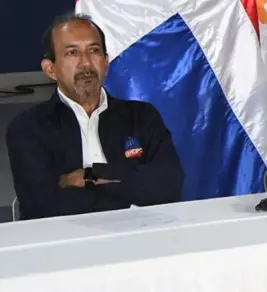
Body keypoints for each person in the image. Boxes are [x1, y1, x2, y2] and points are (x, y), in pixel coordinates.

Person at [6, 13, 184, 220]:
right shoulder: (28, 127)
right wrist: (130, 196)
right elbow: (41, 206)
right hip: (66, 237)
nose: (86, 63)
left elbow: (169, 185)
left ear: (105, 63)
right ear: (51, 69)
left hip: (143, 233)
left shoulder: (142, 116)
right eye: (72, 53)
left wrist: (89, 176)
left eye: (94, 50)